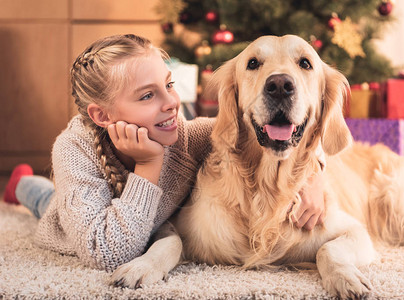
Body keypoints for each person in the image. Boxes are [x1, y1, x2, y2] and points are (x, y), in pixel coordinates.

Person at [2, 34, 326, 273]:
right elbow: (110, 253)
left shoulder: (188, 137)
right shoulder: (74, 150)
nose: (171, 103)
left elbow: (253, 128)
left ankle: (25, 182)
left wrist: (314, 175)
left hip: (134, 221)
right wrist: (148, 164)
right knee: (46, 201)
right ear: (102, 116)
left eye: (169, 85)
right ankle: (21, 185)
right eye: (147, 96)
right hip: (79, 219)